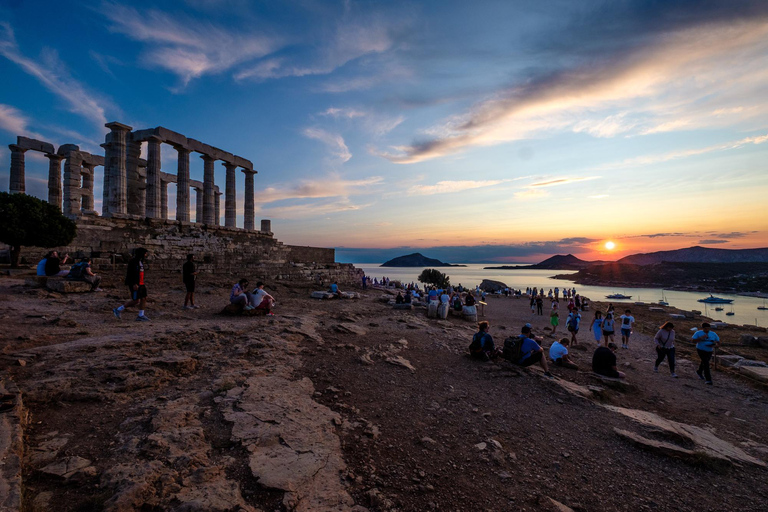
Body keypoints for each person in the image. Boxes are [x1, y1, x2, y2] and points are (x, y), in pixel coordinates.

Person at [113, 248, 151, 321]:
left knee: (144, 298)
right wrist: (134, 283)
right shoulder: (133, 262)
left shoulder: (141, 261)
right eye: (145, 253)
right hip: (135, 283)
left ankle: (141, 315)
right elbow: (131, 273)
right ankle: (118, 310)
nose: (146, 255)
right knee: (136, 300)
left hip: (141, 283)